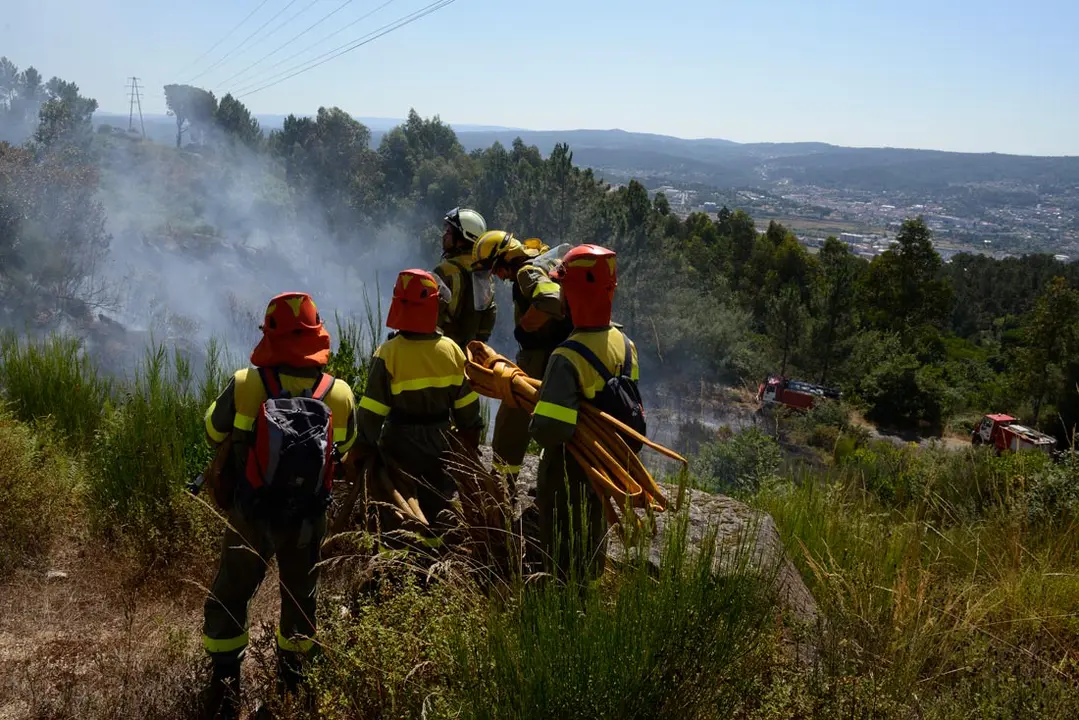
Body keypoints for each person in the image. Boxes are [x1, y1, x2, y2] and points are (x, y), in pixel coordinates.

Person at [199, 291, 359, 720]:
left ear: (269, 336)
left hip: (250, 514)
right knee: (301, 597)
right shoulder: (339, 393)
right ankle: (292, 684)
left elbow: (213, 431)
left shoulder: (246, 383)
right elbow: (347, 446)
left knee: (232, 592)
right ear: (316, 335)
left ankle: (224, 686)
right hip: (306, 520)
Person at [528, 244, 642, 582]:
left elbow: (551, 429)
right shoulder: (625, 344)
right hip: (606, 466)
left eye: (563, 287)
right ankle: (587, 592)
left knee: (562, 545)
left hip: (568, 470)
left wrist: (534, 414)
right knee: (592, 532)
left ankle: (562, 604)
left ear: (575, 292)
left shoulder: (566, 356)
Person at [354, 268, 485, 534]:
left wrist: (361, 452)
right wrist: (467, 445)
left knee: (396, 516)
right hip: (440, 445)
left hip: (398, 448)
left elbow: (371, 414)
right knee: (440, 509)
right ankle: (439, 556)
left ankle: (400, 558)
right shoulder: (452, 351)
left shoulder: (387, 354)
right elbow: (468, 413)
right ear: (434, 306)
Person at [472, 230, 572, 494]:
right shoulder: (547, 258)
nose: (497, 276)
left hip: (539, 359)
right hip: (566, 357)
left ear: (506, 259)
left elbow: (552, 301)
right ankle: (553, 484)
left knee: (510, 421)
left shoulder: (525, 273)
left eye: (495, 269)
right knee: (559, 424)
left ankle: (502, 488)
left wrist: (526, 327)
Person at [432, 206, 495, 350]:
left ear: (462, 237)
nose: (443, 235)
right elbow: (488, 319)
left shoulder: (444, 271)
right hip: (472, 352)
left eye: (448, 232)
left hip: (444, 349)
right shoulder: (485, 274)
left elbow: (431, 316)